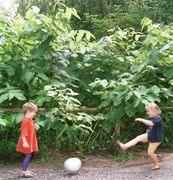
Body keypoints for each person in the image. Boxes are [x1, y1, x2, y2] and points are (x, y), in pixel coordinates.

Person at [117, 102, 163, 170]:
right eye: (146, 111)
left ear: (155, 111)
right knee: (138, 138)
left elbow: (150, 124)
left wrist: (140, 119)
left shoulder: (158, 118)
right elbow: (148, 128)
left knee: (150, 153)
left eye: (148, 111)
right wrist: (146, 134)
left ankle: (156, 164)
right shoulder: (151, 117)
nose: (147, 113)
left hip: (156, 139)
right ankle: (124, 146)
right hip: (149, 135)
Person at [16, 102, 38, 178]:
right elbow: (23, 133)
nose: (35, 114)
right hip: (26, 142)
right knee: (28, 156)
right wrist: (25, 142)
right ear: (28, 111)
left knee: (28, 155)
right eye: (34, 112)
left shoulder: (30, 120)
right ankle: (24, 172)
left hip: (29, 141)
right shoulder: (25, 121)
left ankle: (25, 169)